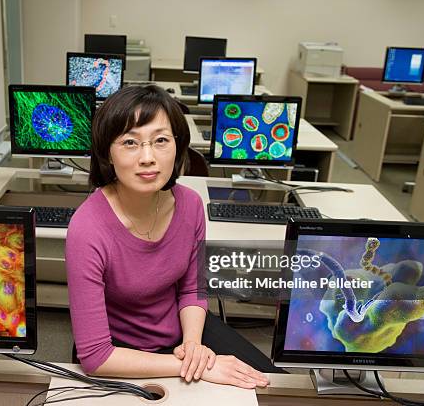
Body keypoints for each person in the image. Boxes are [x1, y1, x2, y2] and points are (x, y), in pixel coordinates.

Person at [65, 85, 283, 390]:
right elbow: (96, 356)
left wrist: (192, 347)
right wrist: (193, 366)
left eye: (161, 141)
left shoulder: (191, 204)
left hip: (183, 333)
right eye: (130, 142)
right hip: (119, 351)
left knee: (272, 385)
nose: (148, 157)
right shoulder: (87, 229)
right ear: (107, 153)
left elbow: (192, 287)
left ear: (178, 147)